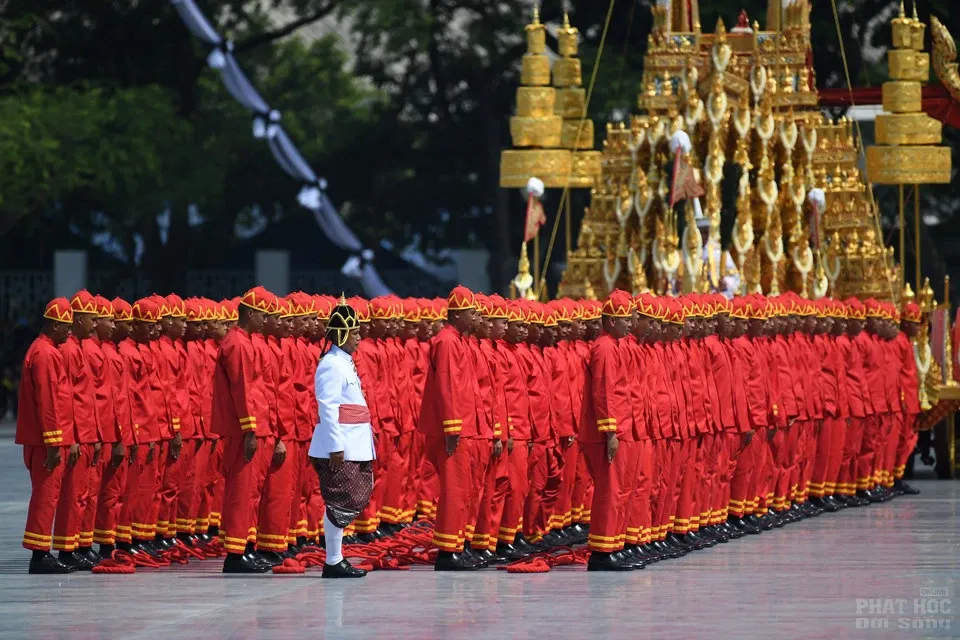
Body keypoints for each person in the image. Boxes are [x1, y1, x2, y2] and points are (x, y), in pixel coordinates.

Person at [308, 296, 375, 579]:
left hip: (355, 443)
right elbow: (328, 406)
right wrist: (336, 446)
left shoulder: (345, 362)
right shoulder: (331, 365)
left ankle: (336, 558)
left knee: (351, 499)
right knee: (340, 501)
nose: (360, 337)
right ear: (342, 334)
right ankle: (333, 560)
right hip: (341, 446)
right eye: (356, 333)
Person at [16, 298, 75, 574]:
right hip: (46, 441)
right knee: (45, 496)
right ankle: (39, 555)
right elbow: (49, 401)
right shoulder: (45, 354)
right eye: (65, 326)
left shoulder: (47, 350)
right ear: (53, 324)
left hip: (49, 439)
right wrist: (54, 442)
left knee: (49, 495)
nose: (69, 332)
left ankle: (42, 551)